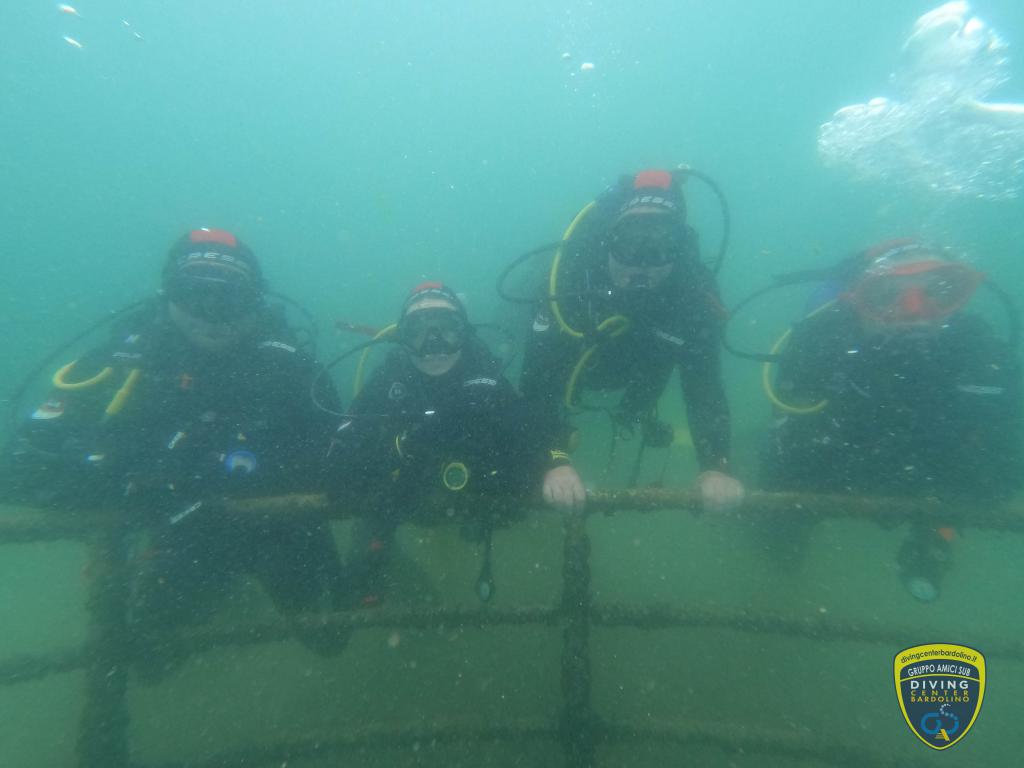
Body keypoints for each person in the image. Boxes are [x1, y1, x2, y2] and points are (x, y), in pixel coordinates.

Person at [3, 228, 347, 659]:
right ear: (167, 295)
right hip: (180, 540)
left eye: (231, 296)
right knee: (151, 662)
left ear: (256, 300)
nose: (212, 313)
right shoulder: (121, 365)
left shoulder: (292, 368)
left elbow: (344, 460)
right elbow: (17, 470)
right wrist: (141, 483)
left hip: (279, 532)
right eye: (194, 293)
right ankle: (229, 596)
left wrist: (229, 480)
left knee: (331, 639)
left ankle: (243, 587)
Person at [759, 239, 1022, 600]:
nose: (915, 311)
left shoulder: (982, 355)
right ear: (855, 302)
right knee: (779, 531)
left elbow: (1004, 472)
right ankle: (781, 559)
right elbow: (786, 460)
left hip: (907, 478)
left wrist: (937, 514)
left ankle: (935, 534)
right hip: (843, 472)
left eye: (939, 291)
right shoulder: (822, 344)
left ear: (962, 295)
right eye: (885, 296)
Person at [328, 282, 571, 606]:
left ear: (464, 333)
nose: (434, 344)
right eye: (418, 331)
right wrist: (396, 450)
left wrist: (557, 462)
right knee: (366, 551)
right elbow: (341, 453)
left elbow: (532, 429)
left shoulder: (484, 375)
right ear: (403, 337)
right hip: (406, 500)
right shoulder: (390, 379)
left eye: (447, 329)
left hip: (472, 500)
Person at [519, 169, 744, 510]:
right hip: (572, 361)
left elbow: (704, 387)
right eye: (630, 244)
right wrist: (555, 458)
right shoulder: (569, 281)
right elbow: (536, 383)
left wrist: (715, 465)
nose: (642, 263)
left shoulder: (694, 295)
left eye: (661, 246)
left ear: (680, 248)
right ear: (609, 242)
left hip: (631, 380)